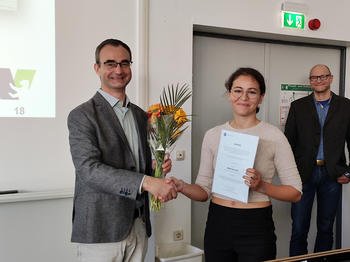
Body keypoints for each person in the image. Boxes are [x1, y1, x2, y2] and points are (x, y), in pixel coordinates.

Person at [169, 67, 302, 262]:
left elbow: (296, 193)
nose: (244, 97)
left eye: (252, 91)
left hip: (256, 225)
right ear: (230, 94)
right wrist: (182, 186)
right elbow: (203, 191)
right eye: (238, 90)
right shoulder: (213, 135)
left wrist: (261, 186)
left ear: (261, 97)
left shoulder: (274, 136)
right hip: (218, 223)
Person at [67, 38, 177, 262]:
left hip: (138, 225)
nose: (118, 69)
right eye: (110, 63)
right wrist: (146, 181)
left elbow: (139, 165)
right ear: (97, 68)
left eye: (124, 63)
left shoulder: (140, 115)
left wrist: (157, 168)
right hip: (101, 229)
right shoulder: (82, 115)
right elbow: (89, 170)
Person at [285, 64, 350, 256]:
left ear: (330, 78)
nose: (319, 80)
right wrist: (290, 173)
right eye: (314, 77)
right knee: (298, 227)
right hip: (303, 174)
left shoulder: (346, 106)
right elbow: (288, 142)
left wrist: (348, 172)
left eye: (323, 76)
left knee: (326, 227)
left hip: (332, 176)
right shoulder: (298, 107)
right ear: (310, 81)